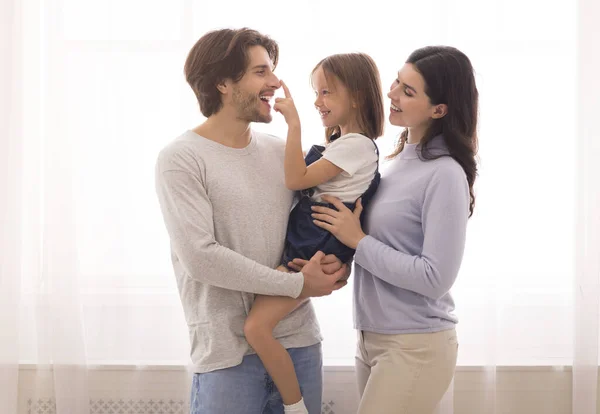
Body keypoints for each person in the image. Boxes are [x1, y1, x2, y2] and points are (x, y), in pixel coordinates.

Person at [154, 28, 348, 414]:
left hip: (298, 345)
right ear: (223, 83)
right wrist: (297, 284)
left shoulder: (281, 153)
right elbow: (201, 257)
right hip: (227, 355)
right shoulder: (181, 159)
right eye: (261, 72)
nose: (276, 82)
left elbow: (313, 228)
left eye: (272, 71)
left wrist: (335, 263)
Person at [298, 46, 479, 413]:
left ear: (438, 110)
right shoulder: (394, 163)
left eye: (408, 92)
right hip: (371, 337)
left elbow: (434, 278)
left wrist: (358, 242)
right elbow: (382, 246)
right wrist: (347, 260)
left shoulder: (444, 174)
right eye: (397, 81)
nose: (392, 93)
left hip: (414, 344)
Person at [243, 53, 384, 414]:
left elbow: (295, 179)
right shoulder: (343, 143)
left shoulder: (356, 145)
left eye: (326, 92)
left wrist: (293, 124)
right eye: (315, 93)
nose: (318, 101)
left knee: (256, 328)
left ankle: (295, 406)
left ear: (356, 96)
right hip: (310, 243)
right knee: (257, 319)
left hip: (314, 247)